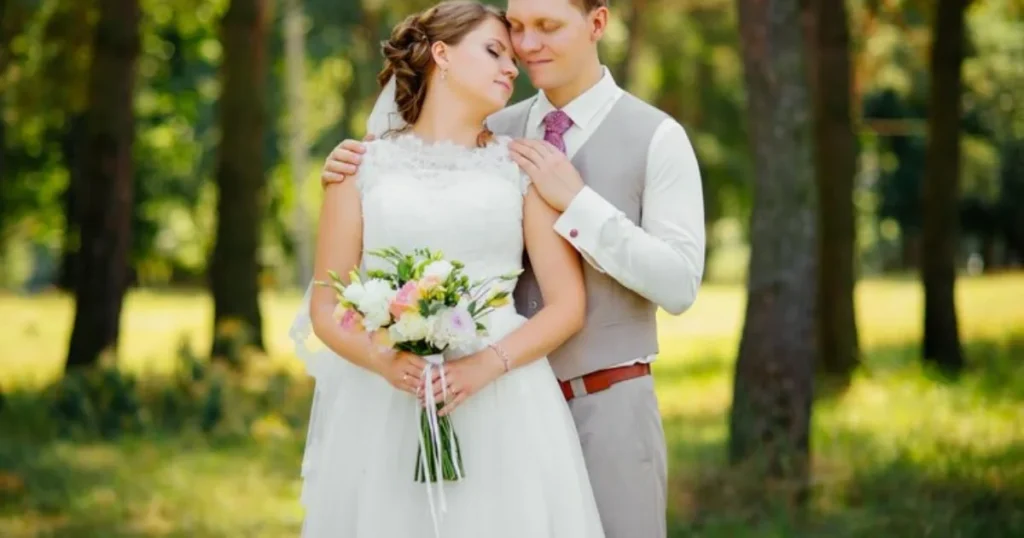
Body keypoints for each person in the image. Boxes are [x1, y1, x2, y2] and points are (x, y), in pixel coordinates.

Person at [320, 1, 707, 537]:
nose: (524, 49)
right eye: (516, 30)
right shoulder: (494, 128)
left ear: (597, 24)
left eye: (546, 27)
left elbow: (680, 284)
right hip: (485, 400)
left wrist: (577, 203)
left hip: (603, 402)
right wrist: (348, 168)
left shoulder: (657, 137)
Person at [289, 1, 606, 537]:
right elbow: (325, 306)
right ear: (442, 55)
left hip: (504, 398)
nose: (513, 67)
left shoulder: (522, 167)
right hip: (385, 398)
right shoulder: (358, 169)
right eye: (494, 51)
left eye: (512, 59)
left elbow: (568, 306)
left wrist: (487, 365)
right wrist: (386, 362)